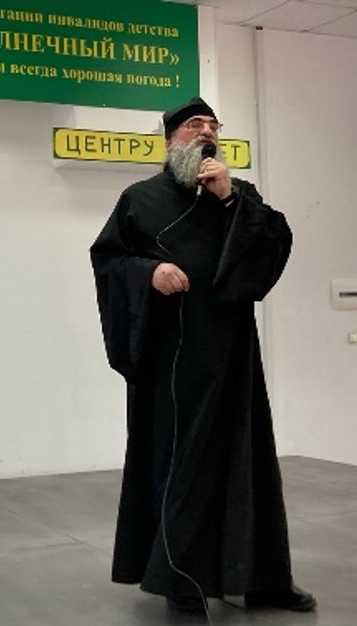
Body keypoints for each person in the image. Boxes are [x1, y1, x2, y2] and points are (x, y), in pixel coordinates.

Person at [89, 97, 315, 614]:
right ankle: (181, 579)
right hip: (170, 357)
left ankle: (264, 579)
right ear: (171, 139)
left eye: (213, 126)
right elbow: (109, 261)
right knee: (181, 462)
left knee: (247, 463)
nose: (207, 133)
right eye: (195, 125)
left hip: (232, 352)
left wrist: (230, 198)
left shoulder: (238, 195)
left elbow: (274, 245)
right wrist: (148, 272)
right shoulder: (140, 199)